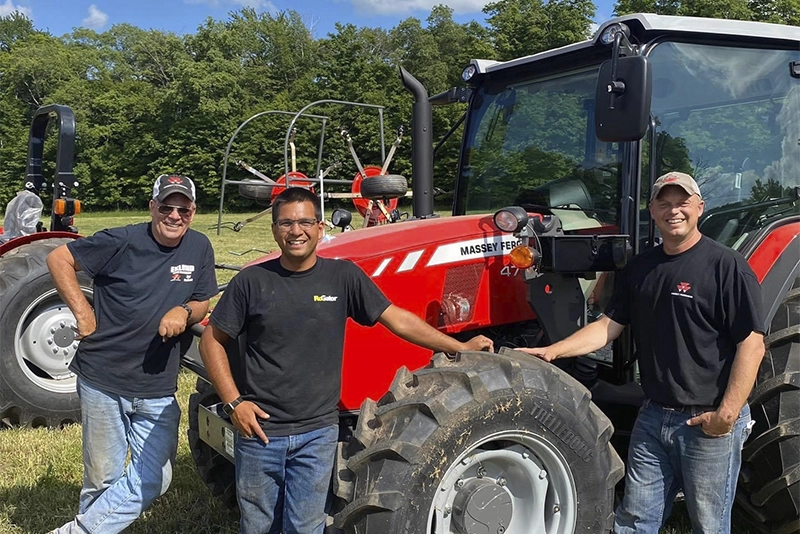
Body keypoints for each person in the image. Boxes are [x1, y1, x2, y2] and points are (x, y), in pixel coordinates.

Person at [199, 187, 494, 534]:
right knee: (258, 525)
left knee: (306, 526)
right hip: (262, 432)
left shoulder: (342, 277)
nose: (296, 231)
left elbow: (396, 318)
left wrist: (455, 346)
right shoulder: (252, 282)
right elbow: (211, 341)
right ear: (275, 229)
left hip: (317, 434)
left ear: (320, 228)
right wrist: (234, 404)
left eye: (305, 221)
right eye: (287, 223)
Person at [519, 171, 765, 534]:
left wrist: (726, 415)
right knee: (635, 521)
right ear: (652, 210)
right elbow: (608, 326)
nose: (673, 211)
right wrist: (553, 351)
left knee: (710, 525)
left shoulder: (725, 266)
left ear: (699, 207)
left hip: (707, 419)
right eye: (664, 204)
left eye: (682, 203)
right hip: (653, 417)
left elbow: (752, 342)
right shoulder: (641, 268)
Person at [46, 174, 218, 534]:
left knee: (154, 477)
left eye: (182, 209)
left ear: (193, 211)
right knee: (102, 480)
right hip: (104, 380)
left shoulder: (199, 247)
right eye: (167, 207)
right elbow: (59, 258)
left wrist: (184, 312)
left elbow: (202, 300)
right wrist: (83, 313)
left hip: (157, 385)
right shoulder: (121, 240)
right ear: (152, 207)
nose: (174, 215)